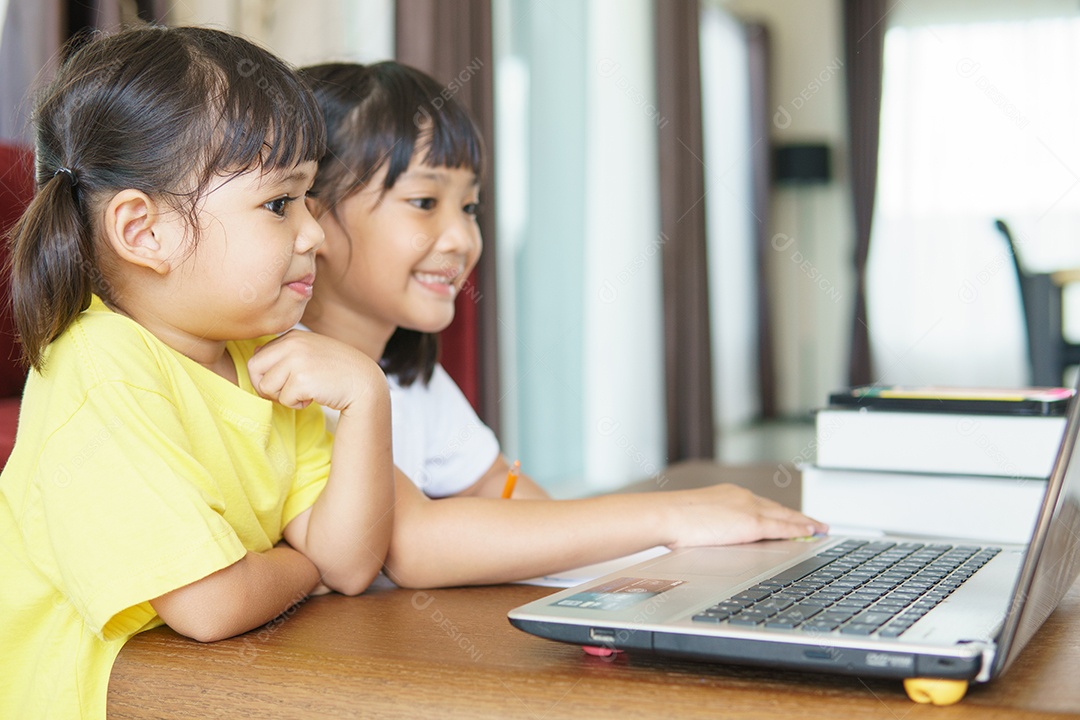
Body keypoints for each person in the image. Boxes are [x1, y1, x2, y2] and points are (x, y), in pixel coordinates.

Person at [298, 61, 828, 589]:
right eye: (425, 202)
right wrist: (674, 514)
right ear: (312, 218)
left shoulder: (409, 377)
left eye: (470, 206)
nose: (462, 239)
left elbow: (502, 490)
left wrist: (667, 556)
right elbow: (414, 545)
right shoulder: (295, 374)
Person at [0, 27, 395, 720]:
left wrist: (367, 396)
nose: (317, 236)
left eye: (309, 198)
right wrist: (307, 569)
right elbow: (210, 604)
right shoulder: (101, 370)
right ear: (144, 232)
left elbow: (352, 562)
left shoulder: (259, 359)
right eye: (279, 204)